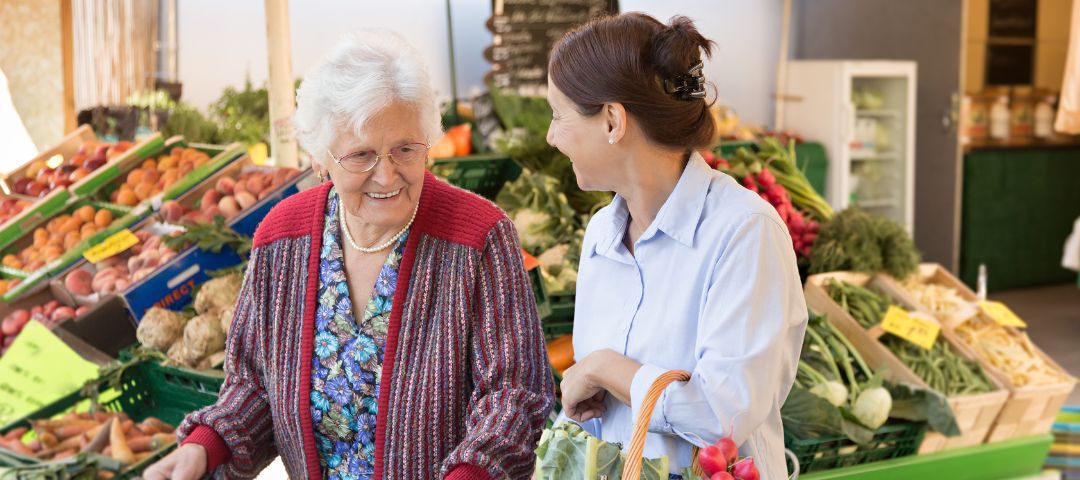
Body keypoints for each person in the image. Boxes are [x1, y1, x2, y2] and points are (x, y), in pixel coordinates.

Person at [144, 31, 553, 480]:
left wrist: (473, 472)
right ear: (321, 159)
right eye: (361, 155)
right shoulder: (284, 239)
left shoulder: (478, 238)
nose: (387, 173)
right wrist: (206, 446)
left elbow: (514, 394)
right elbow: (254, 386)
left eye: (406, 149)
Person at [547, 13, 807, 480]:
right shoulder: (601, 236)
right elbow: (597, 417)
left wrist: (606, 368)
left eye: (558, 115)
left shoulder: (745, 231)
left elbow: (720, 417)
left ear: (611, 120)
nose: (551, 136)